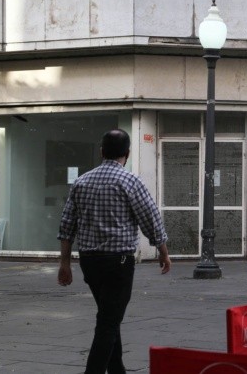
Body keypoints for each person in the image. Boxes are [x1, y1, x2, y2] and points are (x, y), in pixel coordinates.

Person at [57, 129, 171, 374]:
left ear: (102, 152)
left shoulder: (81, 181)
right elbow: (150, 218)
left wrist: (64, 263)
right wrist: (162, 250)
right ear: (127, 154)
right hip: (118, 264)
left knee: (109, 314)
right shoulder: (130, 181)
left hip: (89, 262)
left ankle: (117, 369)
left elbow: (67, 225)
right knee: (108, 321)